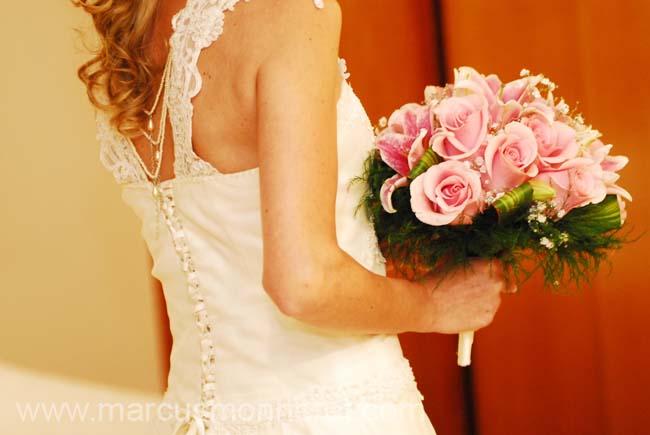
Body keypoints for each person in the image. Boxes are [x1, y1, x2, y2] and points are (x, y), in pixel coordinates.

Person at [75, 0, 509, 433]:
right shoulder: (291, 13)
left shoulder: (139, 32)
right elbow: (305, 283)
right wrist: (434, 305)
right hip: (329, 414)